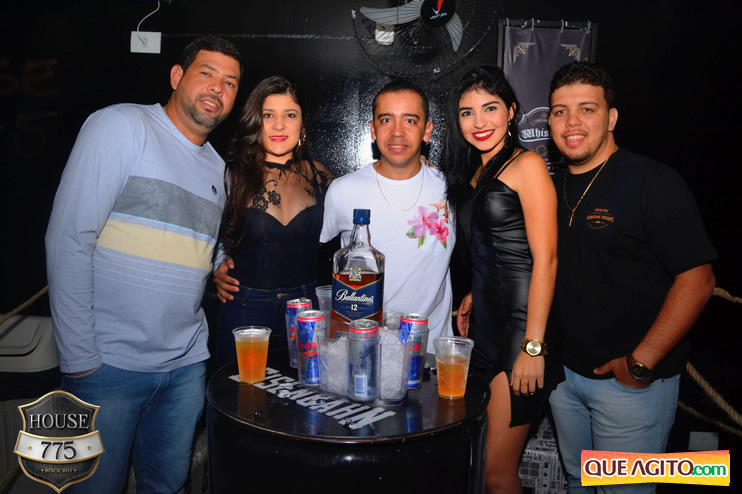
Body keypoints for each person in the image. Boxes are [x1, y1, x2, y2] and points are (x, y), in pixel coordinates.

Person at [45, 36, 241, 493]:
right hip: (106, 368)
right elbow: (68, 239)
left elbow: (203, 241)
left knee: (167, 488)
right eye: (206, 73)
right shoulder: (121, 126)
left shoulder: (221, 171)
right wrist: (80, 360)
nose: (217, 88)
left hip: (185, 369)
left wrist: (220, 262)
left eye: (230, 82)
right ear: (176, 76)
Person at [547, 62, 716, 493]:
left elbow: (698, 279)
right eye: (560, 111)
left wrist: (641, 363)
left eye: (587, 109)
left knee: (623, 490)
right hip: (564, 378)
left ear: (612, 118)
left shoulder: (651, 182)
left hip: (630, 386)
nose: (572, 122)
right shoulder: (550, 186)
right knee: (577, 483)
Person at [441, 66, 559, 493]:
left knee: (496, 472)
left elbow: (546, 260)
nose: (479, 122)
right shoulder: (476, 173)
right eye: (467, 112)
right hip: (484, 332)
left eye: (489, 108)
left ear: (511, 111)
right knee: (477, 465)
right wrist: (475, 293)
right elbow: (498, 250)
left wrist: (532, 347)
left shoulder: (527, 165)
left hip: (520, 334)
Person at [320, 79, 455, 351]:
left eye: (410, 120)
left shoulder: (450, 188)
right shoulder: (342, 191)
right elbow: (316, 262)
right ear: (373, 129)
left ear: (427, 131)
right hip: (361, 350)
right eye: (386, 120)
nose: (397, 132)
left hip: (431, 353)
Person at [211, 76, 333, 367]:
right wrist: (214, 267)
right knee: (240, 393)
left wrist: (417, 169)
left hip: (306, 311)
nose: (279, 125)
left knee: (306, 394)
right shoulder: (229, 175)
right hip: (245, 310)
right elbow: (199, 231)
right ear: (255, 121)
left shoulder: (321, 176)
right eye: (268, 115)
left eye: (289, 115)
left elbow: (368, 200)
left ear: (302, 123)